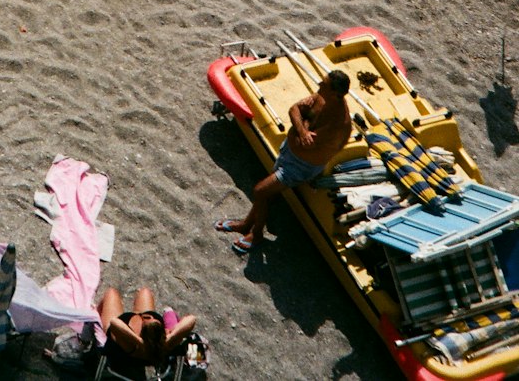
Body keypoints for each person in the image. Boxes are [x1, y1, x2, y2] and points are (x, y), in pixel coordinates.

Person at [215, 71, 352, 254]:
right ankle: (246, 224)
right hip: (289, 154)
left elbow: (306, 145)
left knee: (260, 191)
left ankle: (256, 234)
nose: (319, 84)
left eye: (324, 84)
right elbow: (294, 109)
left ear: (335, 93)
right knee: (267, 193)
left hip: (300, 167)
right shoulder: (322, 97)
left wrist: (299, 128)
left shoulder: (338, 124)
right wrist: (303, 130)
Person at [97, 285, 196, 381]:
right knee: (145, 291)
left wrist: (139, 341)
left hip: (118, 332)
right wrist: (170, 337)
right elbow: (192, 319)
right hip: (152, 340)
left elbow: (114, 323)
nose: (151, 317)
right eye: (152, 318)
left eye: (147, 318)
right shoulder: (166, 345)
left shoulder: (132, 345)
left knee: (111, 292)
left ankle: (95, 313)